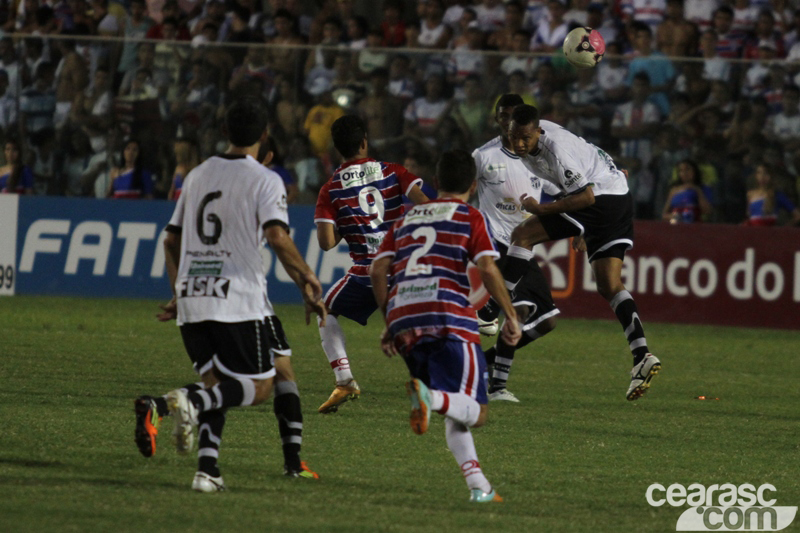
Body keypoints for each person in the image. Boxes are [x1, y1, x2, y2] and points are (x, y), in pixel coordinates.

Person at [134, 98, 326, 492]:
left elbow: (170, 240)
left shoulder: (197, 174)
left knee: (216, 384)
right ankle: (175, 403)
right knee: (260, 386)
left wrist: (178, 293)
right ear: (263, 135)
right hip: (236, 300)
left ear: (223, 132)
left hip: (193, 297)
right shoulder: (265, 179)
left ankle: (207, 471)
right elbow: (276, 236)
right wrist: (308, 275)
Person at [369, 149, 521, 503]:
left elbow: (378, 271)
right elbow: (487, 268)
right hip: (449, 318)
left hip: (406, 319)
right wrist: (511, 316)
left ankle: (479, 486)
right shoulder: (470, 216)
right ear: (473, 184)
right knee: (477, 411)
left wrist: (391, 319)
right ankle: (429, 398)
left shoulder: (404, 219)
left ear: (435, 183)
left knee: (457, 406)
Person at [501, 105, 661, 401]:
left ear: (538, 131)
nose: (519, 144)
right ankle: (642, 354)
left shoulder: (554, 151)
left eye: (525, 138)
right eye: (514, 137)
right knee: (609, 285)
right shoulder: (537, 140)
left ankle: (490, 308)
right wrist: (581, 229)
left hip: (600, 199)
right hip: (617, 196)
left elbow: (585, 196)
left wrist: (542, 209)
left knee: (524, 234)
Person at [313, 114, 429, 414]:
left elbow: (326, 243)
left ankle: (344, 378)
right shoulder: (393, 171)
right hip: (403, 269)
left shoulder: (331, 188)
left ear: (338, 148)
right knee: (408, 326)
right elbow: (424, 203)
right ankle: (428, 386)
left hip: (365, 273)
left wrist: (348, 222)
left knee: (325, 310)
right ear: (365, 141)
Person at [473, 93, 562, 402]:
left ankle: (482, 361)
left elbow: (559, 188)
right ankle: (496, 387)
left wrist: (583, 225)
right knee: (519, 311)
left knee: (547, 321)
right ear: (499, 120)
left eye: (514, 116)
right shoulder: (484, 156)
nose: (508, 122)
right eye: (503, 115)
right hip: (495, 243)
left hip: (523, 246)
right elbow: (461, 192)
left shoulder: (536, 157)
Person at [661, 159, 713, 223]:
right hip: (676, 224)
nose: (684, 173)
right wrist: (675, 217)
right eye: (681, 171)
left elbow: (707, 211)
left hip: (694, 225)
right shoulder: (674, 190)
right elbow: (664, 214)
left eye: (687, 169)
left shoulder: (703, 188)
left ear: (694, 171)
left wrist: (697, 191)